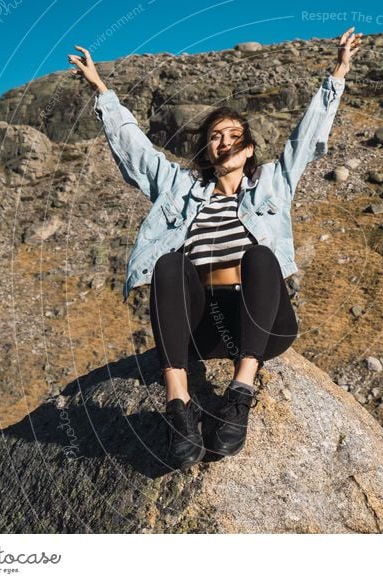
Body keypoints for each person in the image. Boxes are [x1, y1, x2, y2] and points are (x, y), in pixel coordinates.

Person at [68, 27, 362, 470]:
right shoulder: (180, 188)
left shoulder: (272, 185)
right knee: (168, 262)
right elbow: (137, 151)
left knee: (260, 257)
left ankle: (240, 392)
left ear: (248, 150)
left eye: (233, 134)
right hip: (201, 325)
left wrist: (337, 73)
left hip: (260, 322)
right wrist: (101, 90)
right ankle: (179, 407)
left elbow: (305, 137)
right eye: (215, 136)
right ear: (207, 149)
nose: (224, 141)